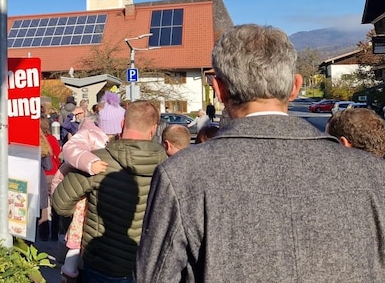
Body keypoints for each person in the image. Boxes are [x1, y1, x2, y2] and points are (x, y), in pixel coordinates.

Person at [136, 24, 385, 282]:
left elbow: (154, 275)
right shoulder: (373, 172)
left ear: (218, 90)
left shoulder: (181, 175)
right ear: (295, 87)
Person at [52, 100, 166, 282]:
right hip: (144, 263)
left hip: (100, 260)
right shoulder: (166, 165)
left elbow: (60, 204)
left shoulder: (96, 161)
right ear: (153, 130)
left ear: (122, 124)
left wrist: (83, 207)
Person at [51, 112, 113, 281]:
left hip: (86, 199)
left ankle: (68, 271)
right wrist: (91, 163)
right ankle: (69, 272)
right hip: (83, 200)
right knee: (77, 240)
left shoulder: (99, 136)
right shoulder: (90, 135)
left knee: (77, 240)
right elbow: (72, 150)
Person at [38, 117, 61, 242]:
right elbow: (57, 156)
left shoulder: (35, 139)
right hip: (53, 174)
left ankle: (43, 233)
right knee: (55, 204)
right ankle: (55, 233)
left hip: (40, 176)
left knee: (43, 206)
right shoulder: (52, 139)